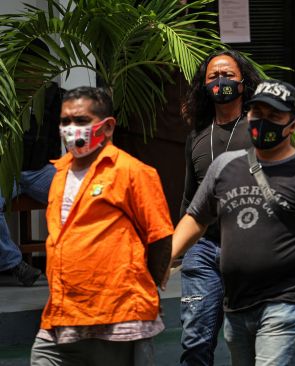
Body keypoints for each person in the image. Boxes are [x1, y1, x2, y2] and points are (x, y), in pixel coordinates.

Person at [171, 79, 295, 366]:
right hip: (239, 305)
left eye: (274, 116)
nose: (263, 122)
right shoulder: (225, 167)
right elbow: (196, 218)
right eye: (257, 113)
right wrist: (168, 256)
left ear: (293, 126)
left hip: (292, 304)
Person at [30, 87, 173, 366]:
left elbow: (160, 238)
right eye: (65, 121)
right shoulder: (59, 174)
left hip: (116, 316)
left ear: (107, 127)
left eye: (81, 121)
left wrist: (146, 289)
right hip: (60, 314)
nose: (71, 129)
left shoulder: (133, 172)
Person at [178, 50, 260, 366]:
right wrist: (177, 251)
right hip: (204, 248)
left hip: (250, 249)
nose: (221, 81)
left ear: (244, 82)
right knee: (195, 340)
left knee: (247, 343)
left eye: (228, 75)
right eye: (213, 76)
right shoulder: (197, 136)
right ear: (203, 86)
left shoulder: (259, 129)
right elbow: (189, 198)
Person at [0, 41, 65, 286]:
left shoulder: (52, 94)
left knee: (81, 196)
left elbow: (59, 135)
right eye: (29, 65)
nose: (33, 71)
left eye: (38, 65)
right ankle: (15, 265)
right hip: (7, 170)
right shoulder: (5, 93)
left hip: (40, 170)